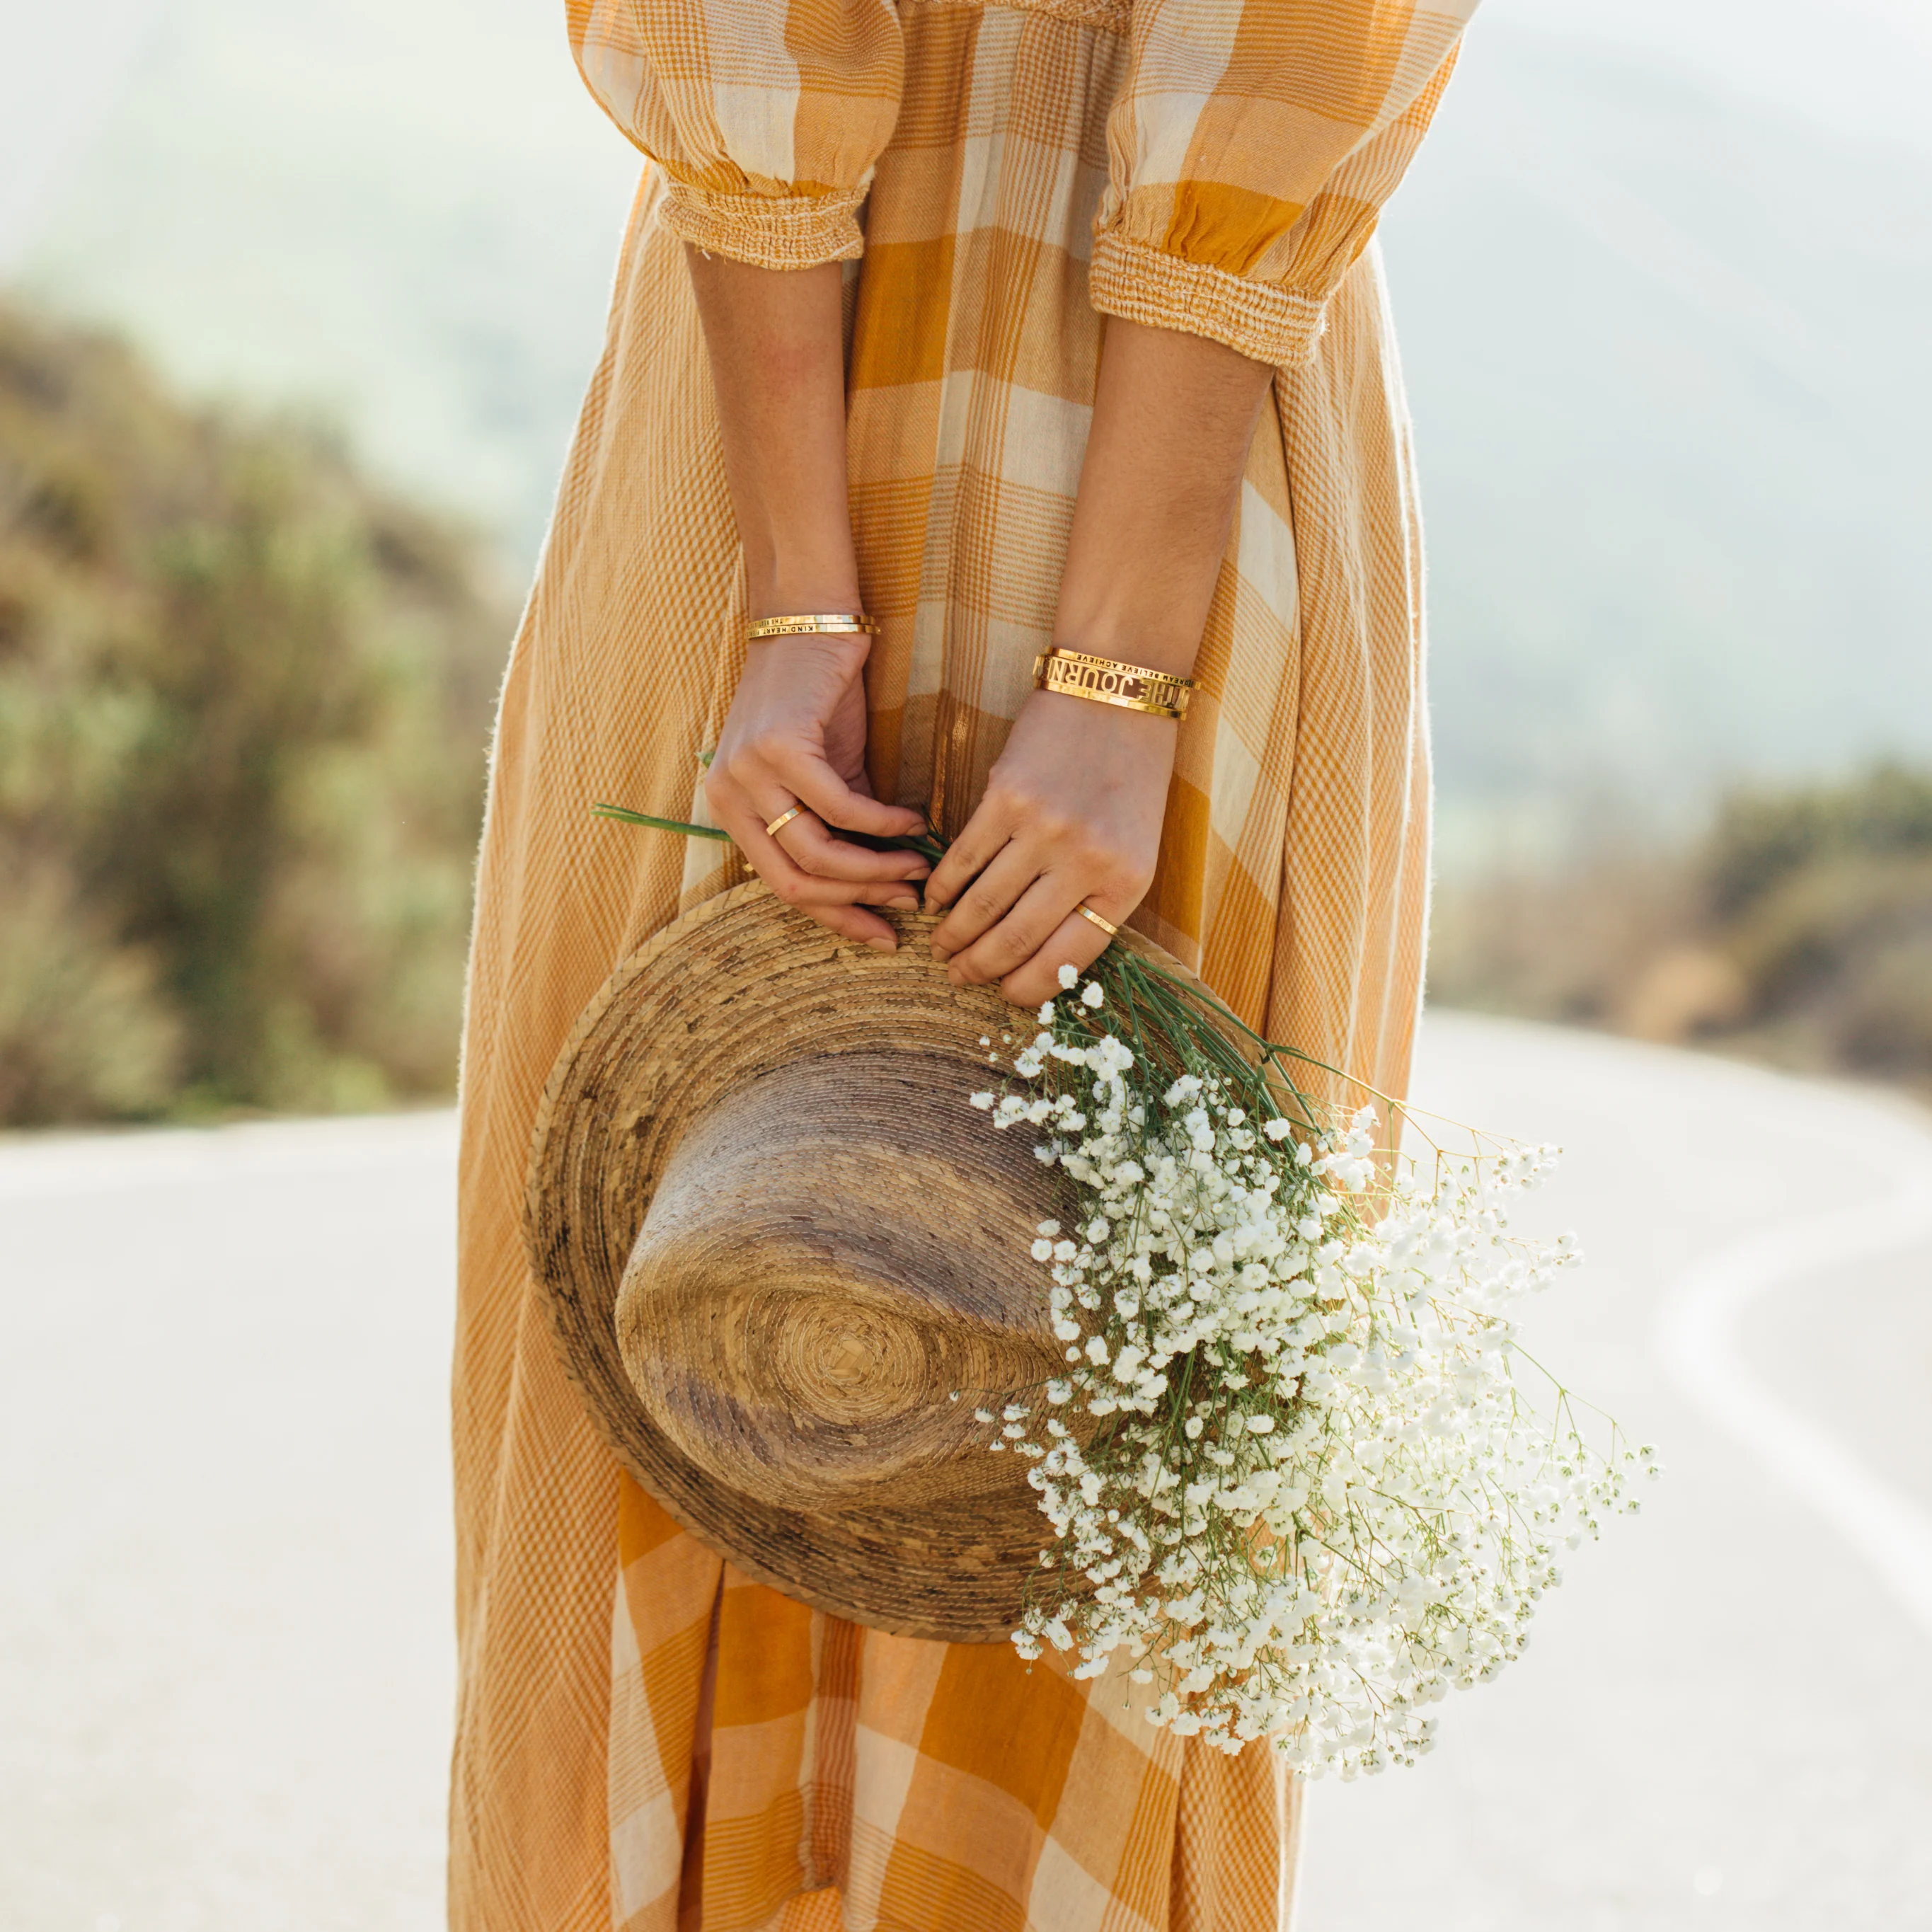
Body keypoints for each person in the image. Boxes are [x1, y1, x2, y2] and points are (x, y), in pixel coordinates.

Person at [452, 0, 1476, 1922]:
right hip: (768, 370)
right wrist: (797, 591)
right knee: (704, 1303)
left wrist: (1115, 661)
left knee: (1081, 1389)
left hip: (1186, 384)